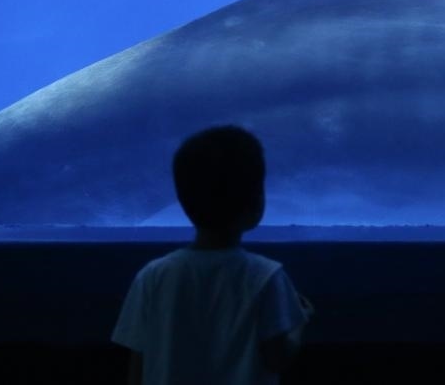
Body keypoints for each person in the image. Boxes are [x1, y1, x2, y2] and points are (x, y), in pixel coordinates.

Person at [112, 125, 313, 385]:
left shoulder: (152, 275)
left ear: (182, 202)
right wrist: (300, 321)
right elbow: (277, 357)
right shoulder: (266, 276)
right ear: (257, 203)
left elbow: (137, 363)